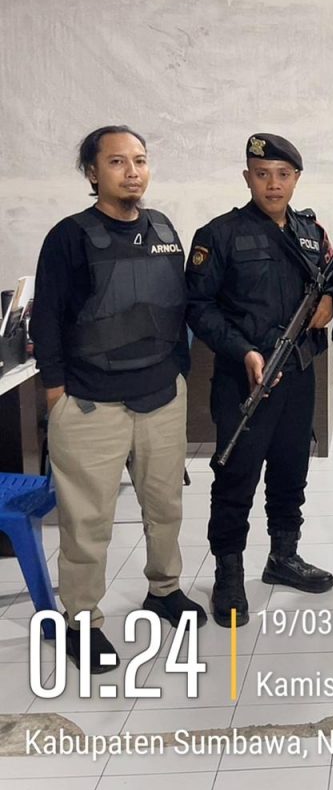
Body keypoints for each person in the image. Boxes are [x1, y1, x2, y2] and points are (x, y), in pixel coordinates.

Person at [33, 125, 204, 672]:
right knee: (88, 523)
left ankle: (164, 590)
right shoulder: (69, 236)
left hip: (161, 395)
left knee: (166, 508)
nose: (132, 172)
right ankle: (81, 620)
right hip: (90, 403)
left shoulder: (165, 229)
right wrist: (56, 394)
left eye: (140, 160)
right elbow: (47, 319)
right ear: (92, 172)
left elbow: (176, 309)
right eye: (117, 162)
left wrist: (178, 373)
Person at [186, 133, 333, 628]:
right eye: (263, 174)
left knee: (291, 471)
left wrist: (330, 301)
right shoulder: (219, 235)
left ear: (296, 179)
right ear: (247, 177)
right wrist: (244, 351)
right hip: (243, 378)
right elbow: (199, 308)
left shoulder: (311, 232)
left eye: (283, 174)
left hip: (298, 376)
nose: (273, 184)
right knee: (236, 477)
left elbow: (332, 281)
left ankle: (283, 556)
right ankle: (228, 573)